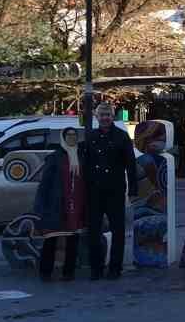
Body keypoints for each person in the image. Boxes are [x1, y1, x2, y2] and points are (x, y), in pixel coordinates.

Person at [81, 100, 138, 280]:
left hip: (115, 189)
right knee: (94, 231)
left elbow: (131, 165)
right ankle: (96, 268)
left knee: (118, 231)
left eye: (108, 115)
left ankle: (115, 268)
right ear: (97, 117)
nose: (105, 118)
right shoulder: (90, 136)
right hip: (95, 190)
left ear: (112, 117)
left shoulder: (122, 136)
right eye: (102, 115)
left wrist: (133, 190)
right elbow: (85, 164)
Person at [33, 127, 86, 280]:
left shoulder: (81, 156)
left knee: (72, 240)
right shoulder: (55, 157)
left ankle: (69, 273)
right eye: (68, 135)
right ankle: (45, 272)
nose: (72, 137)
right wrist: (40, 206)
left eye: (74, 135)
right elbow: (45, 184)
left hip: (76, 204)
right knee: (51, 238)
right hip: (56, 205)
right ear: (63, 137)